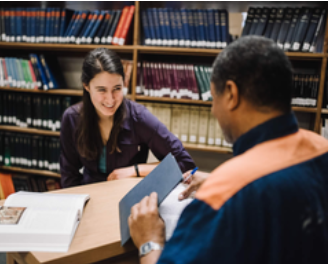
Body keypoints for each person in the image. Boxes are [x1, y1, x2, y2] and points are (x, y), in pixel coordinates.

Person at [128, 36, 328, 264]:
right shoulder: (322, 149)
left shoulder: (223, 194)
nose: (213, 110)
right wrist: (224, 180)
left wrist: (149, 240)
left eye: (214, 98)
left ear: (232, 94)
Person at [60, 48, 195, 188]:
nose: (111, 99)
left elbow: (185, 163)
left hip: (129, 195)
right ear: (86, 86)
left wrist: (135, 170)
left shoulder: (139, 117)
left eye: (117, 88)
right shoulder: (71, 118)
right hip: (90, 195)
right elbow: (69, 177)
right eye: (102, 90)